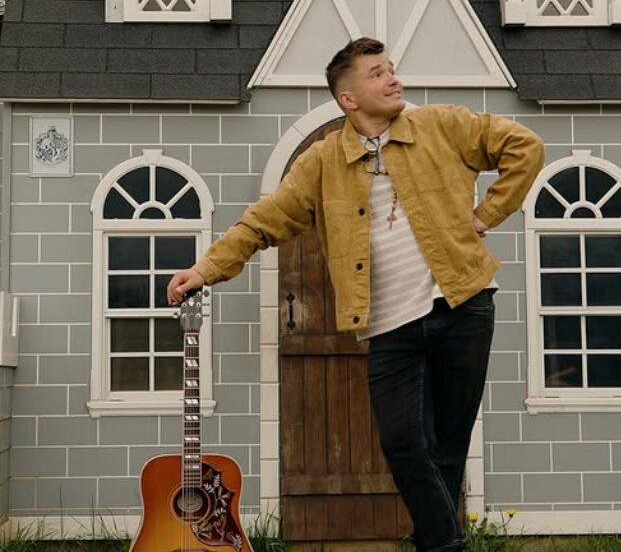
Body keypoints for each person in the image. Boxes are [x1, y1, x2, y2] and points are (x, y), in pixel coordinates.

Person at [167, 36, 544, 552]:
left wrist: (485, 215)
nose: (393, 78)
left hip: (464, 304)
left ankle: (437, 543)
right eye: (377, 73)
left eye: (391, 69)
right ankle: (444, 541)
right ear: (348, 98)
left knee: (449, 445)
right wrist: (206, 268)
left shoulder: (442, 125)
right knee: (402, 441)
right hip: (390, 323)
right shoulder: (323, 162)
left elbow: (525, 147)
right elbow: (263, 221)